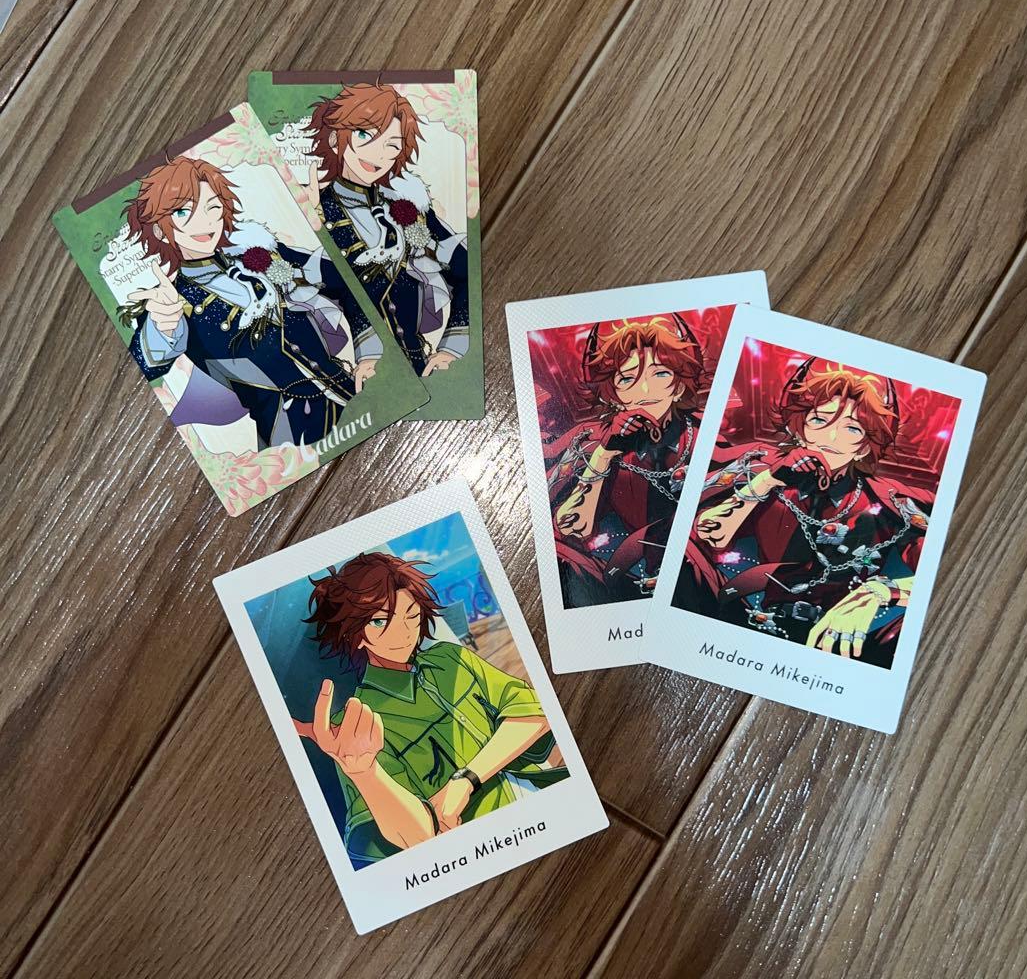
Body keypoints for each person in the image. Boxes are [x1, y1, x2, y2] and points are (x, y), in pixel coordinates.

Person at [291, 553, 568, 864]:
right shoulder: (353, 725)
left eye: (411, 615)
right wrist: (365, 773)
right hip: (479, 850)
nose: (403, 633)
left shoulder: (450, 658)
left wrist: (465, 781)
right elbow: (417, 838)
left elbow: (533, 714)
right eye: (380, 621)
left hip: (545, 801)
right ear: (355, 635)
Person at [676, 358, 934, 668]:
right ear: (799, 429)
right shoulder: (766, 474)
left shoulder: (888, 503)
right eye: (819, 420)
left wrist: (878, 591)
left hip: (839, 643)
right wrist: (768, 480)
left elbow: (935, 575)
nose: (831, 438)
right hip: (751, 625)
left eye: (851, 428)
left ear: (865, 447)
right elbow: (709, 534)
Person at [123, 157, 381, 449]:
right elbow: (143, 368)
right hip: (290, 438)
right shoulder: (174, 302)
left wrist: (369, 353)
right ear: (159, 229)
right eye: (183, 212)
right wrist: (161, 328)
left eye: (212, 208)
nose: (204, 223)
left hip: (356, 397)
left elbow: (342, 281)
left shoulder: (261, 254)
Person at [307, 82, 469, 377]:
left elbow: (467, 270)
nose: (378, 154)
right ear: (334, 138)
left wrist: (452, 348)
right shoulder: (317, 212)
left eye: (392, 145)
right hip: (365, 376)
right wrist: (368, 356)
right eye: (365, 134)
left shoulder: (409, 207)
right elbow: (337, 293)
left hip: (423, 367)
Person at [544, 316, 706, 605]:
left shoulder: (705, 436)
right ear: (614, 394)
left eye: (660, 374)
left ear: (679, 386)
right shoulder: (590, 439)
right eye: (627, 379)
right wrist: (605, 453)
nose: (644, 392)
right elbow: (569, 525)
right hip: (618, 583)